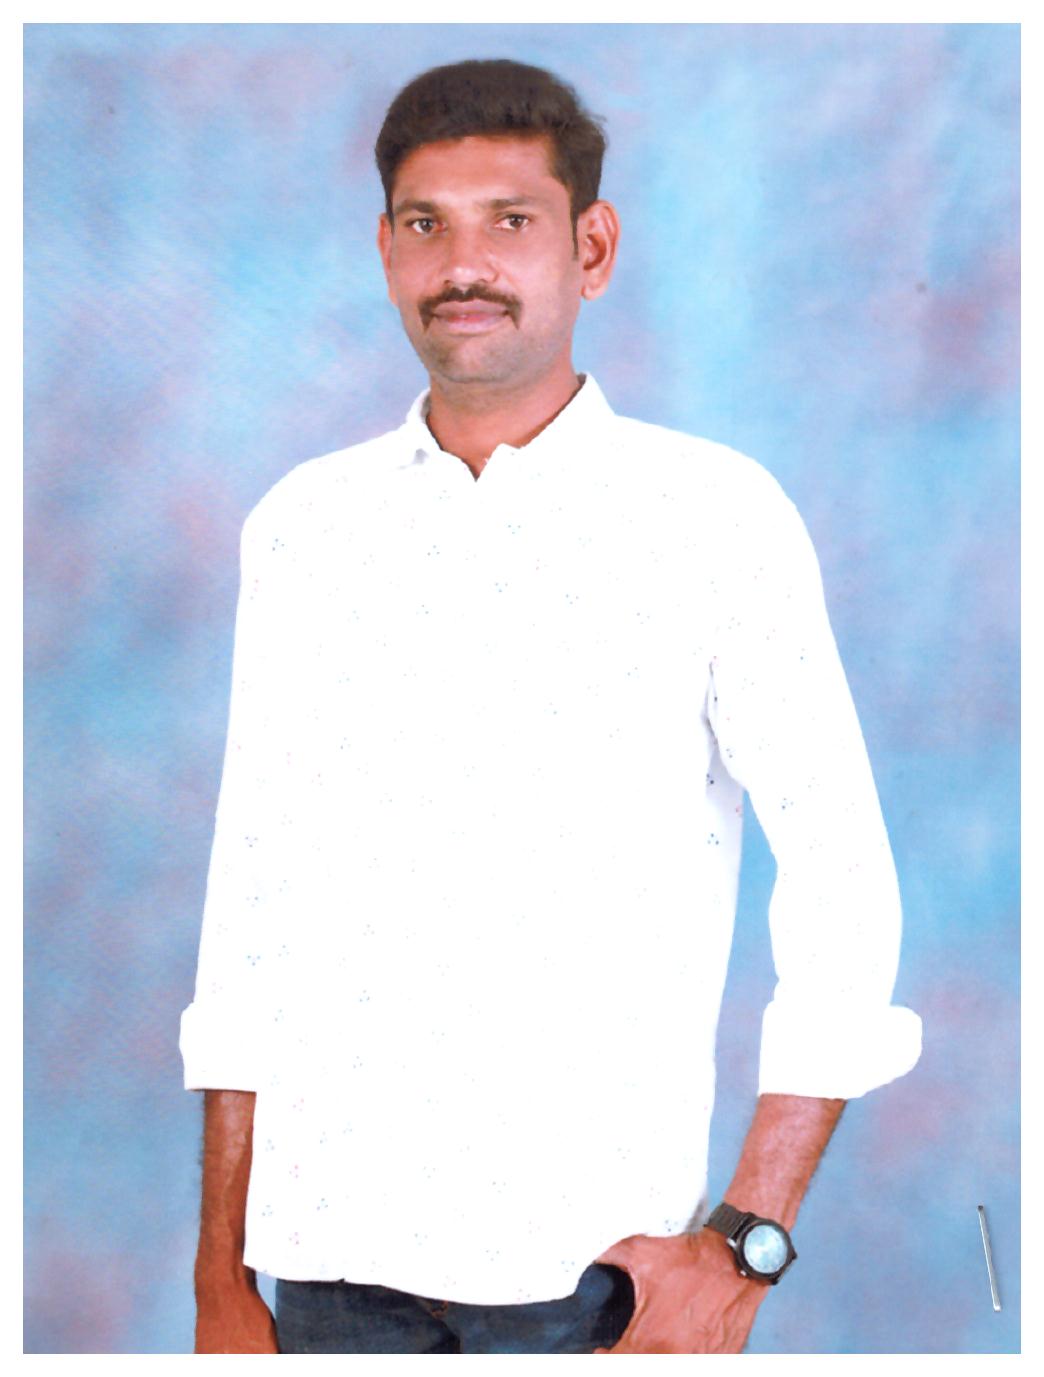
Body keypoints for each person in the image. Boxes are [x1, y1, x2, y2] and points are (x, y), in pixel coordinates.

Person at [181, 58, 923, 1355]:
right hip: (320, 1263)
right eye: (427, 224)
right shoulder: (303, 530)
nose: (464, 264)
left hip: (588, 1275)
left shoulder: (713, 519)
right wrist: (220, 1271)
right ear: (386, 250)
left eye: (510, 220)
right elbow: (253, 910)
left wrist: (747, 1239)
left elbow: (843, 882)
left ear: (592, 247)